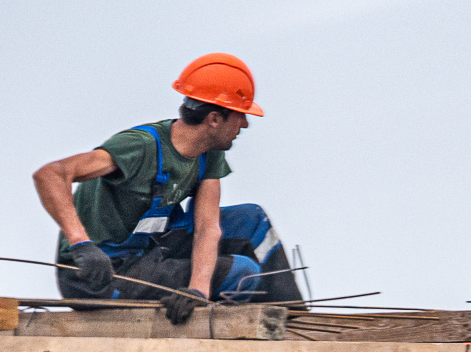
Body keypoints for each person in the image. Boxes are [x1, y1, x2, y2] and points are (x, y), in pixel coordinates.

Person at [32, 53, 297, 324]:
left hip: (149, 250)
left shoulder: (209, 153)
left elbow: (207, 226)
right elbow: (50, 174)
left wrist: (197, 290)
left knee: (251, 220)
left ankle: (296, 322)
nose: (245, 124)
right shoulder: (139, 146)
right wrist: (81, 244)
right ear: (214, 119)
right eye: (240, 115)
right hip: (99, 274)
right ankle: (209, 328)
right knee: (241, 271)